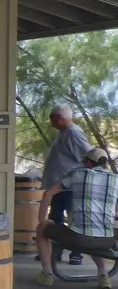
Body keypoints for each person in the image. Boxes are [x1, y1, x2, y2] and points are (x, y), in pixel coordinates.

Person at [35, 145, 118, 289]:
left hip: (77, 238)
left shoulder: (78, 174)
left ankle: (47, 274)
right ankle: (103, 275)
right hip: (107, 241)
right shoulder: (116, 180)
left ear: (89, 163)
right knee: (96, 231)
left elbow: (48, 193)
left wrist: (43, 220)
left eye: (85, 162)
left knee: (42, 229)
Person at [41, 105, 92, 265]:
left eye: (51, 118)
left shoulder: (74, 133)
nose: (51, 121)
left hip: (68, 186)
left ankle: (76, 253)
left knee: (72, 219)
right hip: (59, 184)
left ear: (58, 118)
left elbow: (89, 155)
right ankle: (55, 251)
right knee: (56, 217)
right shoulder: (64, 133)